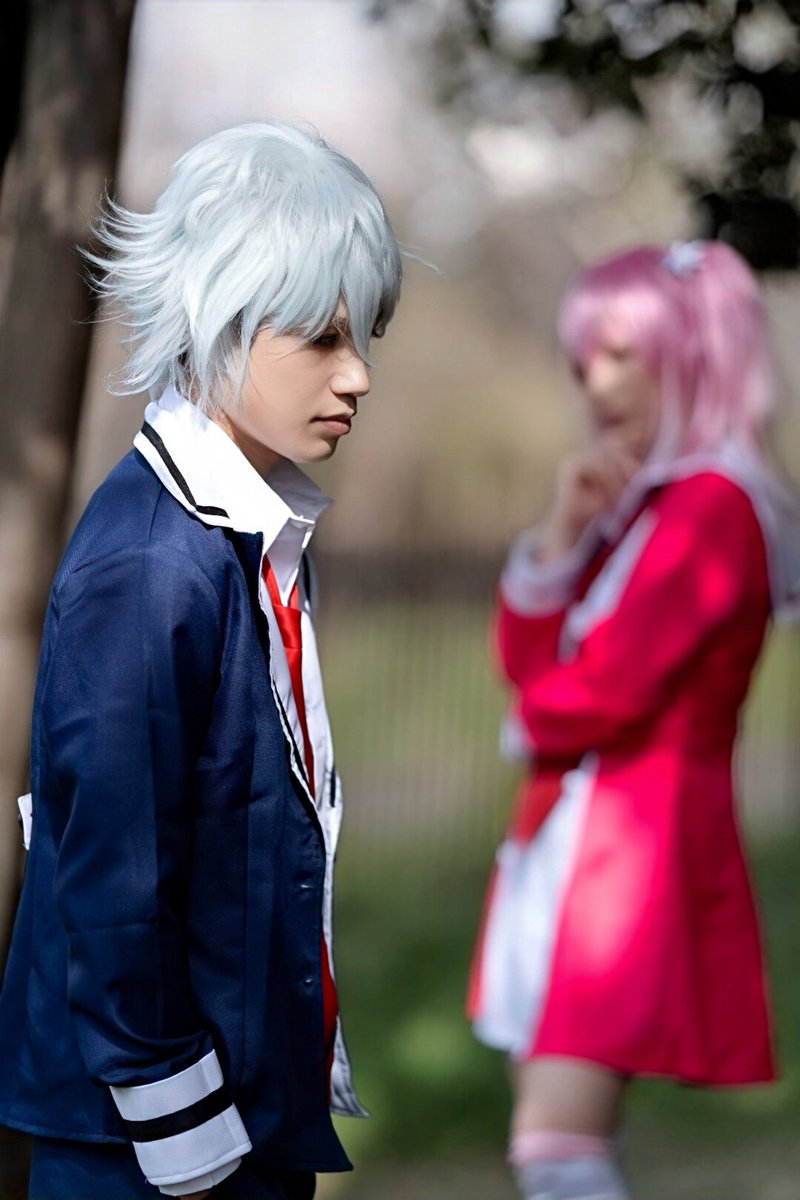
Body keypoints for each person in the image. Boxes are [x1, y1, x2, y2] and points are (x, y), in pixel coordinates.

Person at [0, 120, 402, 1199]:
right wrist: (183, 1125)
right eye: (320, 338)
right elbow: (110, 865)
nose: (357, 375)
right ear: (217, 318)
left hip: (240, 1115)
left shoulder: (242, 534)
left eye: (362, 335)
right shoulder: (151, 564)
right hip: (153, 1147)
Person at [466, 240, 799, 1200]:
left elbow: (603, 692)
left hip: (630, 856)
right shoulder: (649, 508)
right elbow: (530, 667)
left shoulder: (714, 506)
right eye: (582, 362)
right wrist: (560, 537)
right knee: (559, 1145)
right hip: (575, 842)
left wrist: (532, 722)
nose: (596, 384)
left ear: (694, 349)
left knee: (557, 1150)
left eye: (621, 354)